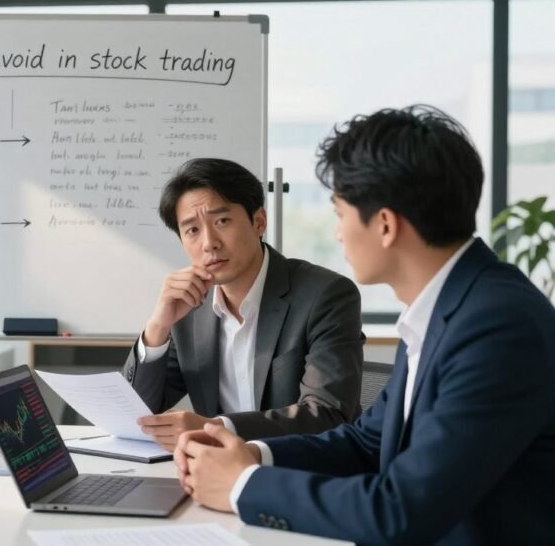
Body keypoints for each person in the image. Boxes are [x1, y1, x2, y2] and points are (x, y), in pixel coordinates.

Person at [174, 106, 555, 545]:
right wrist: (252, 454)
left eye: (340, 214)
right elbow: (366, 443)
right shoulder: (445, 309)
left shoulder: (497, 328)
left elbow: (402, 511)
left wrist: (242, 485)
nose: (338, 234)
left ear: (386, 225)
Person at [122, 158, 364, 449]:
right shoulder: (188, 308)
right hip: (215, 469)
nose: (209, 243)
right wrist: (158, 326)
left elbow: (326, 415)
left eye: (222, 221)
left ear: (258, 222)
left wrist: (217, 428)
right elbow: (137, 414)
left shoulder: (325, 295)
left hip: (300, 466)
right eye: (192, 230)